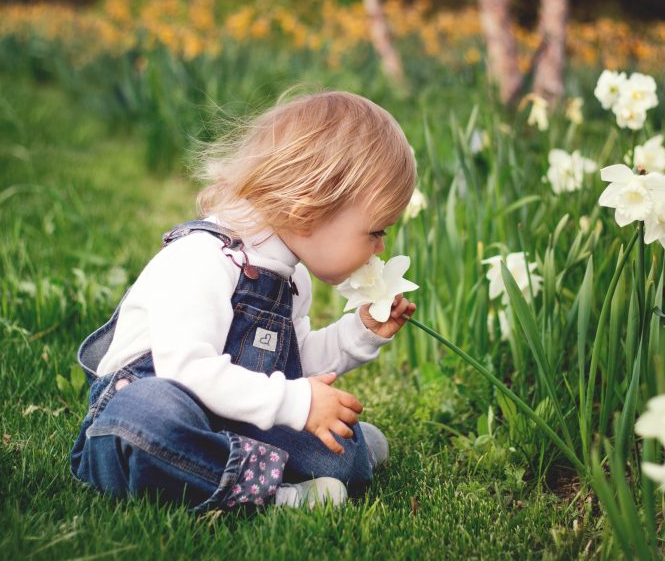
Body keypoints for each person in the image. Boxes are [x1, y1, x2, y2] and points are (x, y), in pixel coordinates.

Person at [69, 90, 418, 512]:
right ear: (310, 207)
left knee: (343, 454)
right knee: (148, 419)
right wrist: (296, 403)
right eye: (375, 231)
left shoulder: (291, 278)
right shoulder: (203, 259)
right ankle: (273, 495)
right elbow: (187, 371)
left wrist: (358, 334)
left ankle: (328, 455)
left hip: (229, 414)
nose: (379, 248)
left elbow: (293, 363)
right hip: (151, 413)